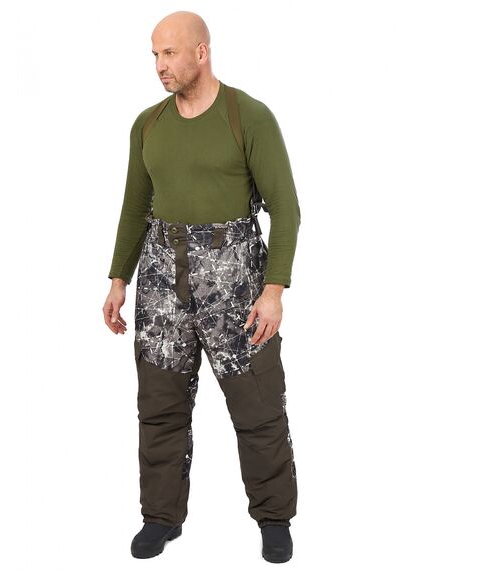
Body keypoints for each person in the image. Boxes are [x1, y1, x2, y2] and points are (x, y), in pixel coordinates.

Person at [102, 10, 301, 564]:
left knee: (258, 407)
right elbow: (135, 207)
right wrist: (118, 279)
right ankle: (161, 517)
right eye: (154, 55)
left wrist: (274, 291)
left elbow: (286, 209)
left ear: (201, 52)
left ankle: (274, 518)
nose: (159, 66)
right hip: (162, 286)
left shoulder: (248, 116)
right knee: (159, 407)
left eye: (169, 53)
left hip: (236, 285)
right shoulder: (147, 125)